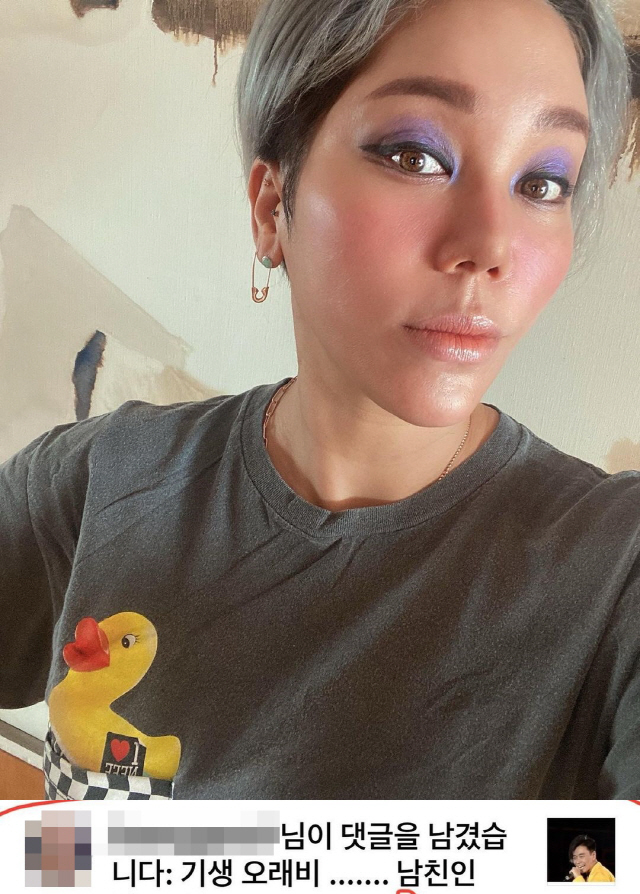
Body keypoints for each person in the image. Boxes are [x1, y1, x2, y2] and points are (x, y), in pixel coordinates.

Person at [0, 0, 637, 801]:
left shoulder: (617, 568)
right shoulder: (99, 479)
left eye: (543, 182)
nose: (489, 245)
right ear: (274, 207)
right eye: (415, 155)